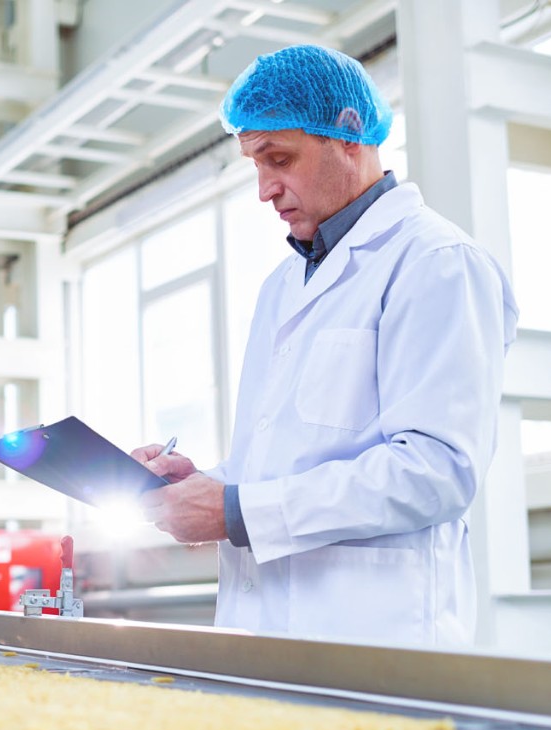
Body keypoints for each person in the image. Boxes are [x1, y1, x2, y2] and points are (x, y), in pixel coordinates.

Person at [131, 44, 518, 646]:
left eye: (279, 159)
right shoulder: (281, 285)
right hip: (263, 633)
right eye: (254, 166)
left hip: (375, 640)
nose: (264, 189)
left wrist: (236, 512)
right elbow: (282, 459)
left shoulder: (437, 263)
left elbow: (438, 470)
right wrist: (202, 485)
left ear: (349, 134)